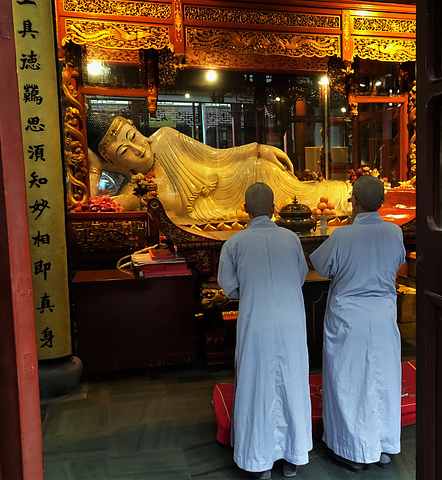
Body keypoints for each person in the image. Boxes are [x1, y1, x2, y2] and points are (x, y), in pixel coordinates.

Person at [86, 114, 351, 224]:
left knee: (300, 195)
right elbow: (92, 207)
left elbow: (218, 156)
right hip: (226, 211)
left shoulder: (166, 138)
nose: (138, 149)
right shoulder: (137, 189)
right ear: (114, 163)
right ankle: (350, 196)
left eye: (134, 137)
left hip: (242, 175)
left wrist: (260, 149)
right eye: (124, 152)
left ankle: (345, 194)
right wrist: (93, 168)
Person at [309, 175, 406, 473]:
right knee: (382, 379)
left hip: (349, 319)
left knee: (348, 381)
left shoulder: (342, 235)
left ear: (356, 201)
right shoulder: (394, 233)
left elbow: (322, 266)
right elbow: (399, 262)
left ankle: (352, 449)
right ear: (381, 202)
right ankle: (381, 445)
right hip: (383, 317)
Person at [217, 182, 312, 479]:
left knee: (256, 383)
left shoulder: (234, 243)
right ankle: (292, 456)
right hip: (291, 323)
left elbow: (229, 287)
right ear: (273, 209)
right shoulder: (291, 239)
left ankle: (258, 459)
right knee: (292, 381)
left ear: (245, 210)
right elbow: (299, 277)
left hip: (255, 321)